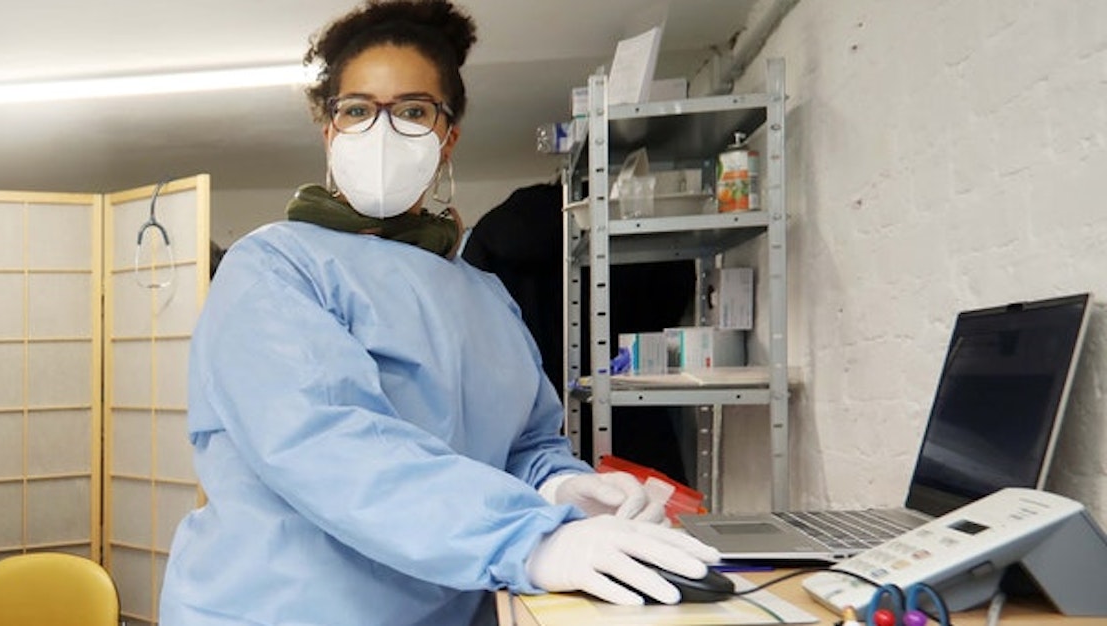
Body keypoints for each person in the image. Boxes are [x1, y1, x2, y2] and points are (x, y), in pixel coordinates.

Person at [156, 2, 720, 624]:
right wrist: (529, 536)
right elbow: (327, 446)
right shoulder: (273, 268)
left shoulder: (483, 295)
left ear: (447, 136)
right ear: (330, 132)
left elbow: (521, 443)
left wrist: (559, 486)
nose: (382, 130)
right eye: (357, 110)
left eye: (413, 111)